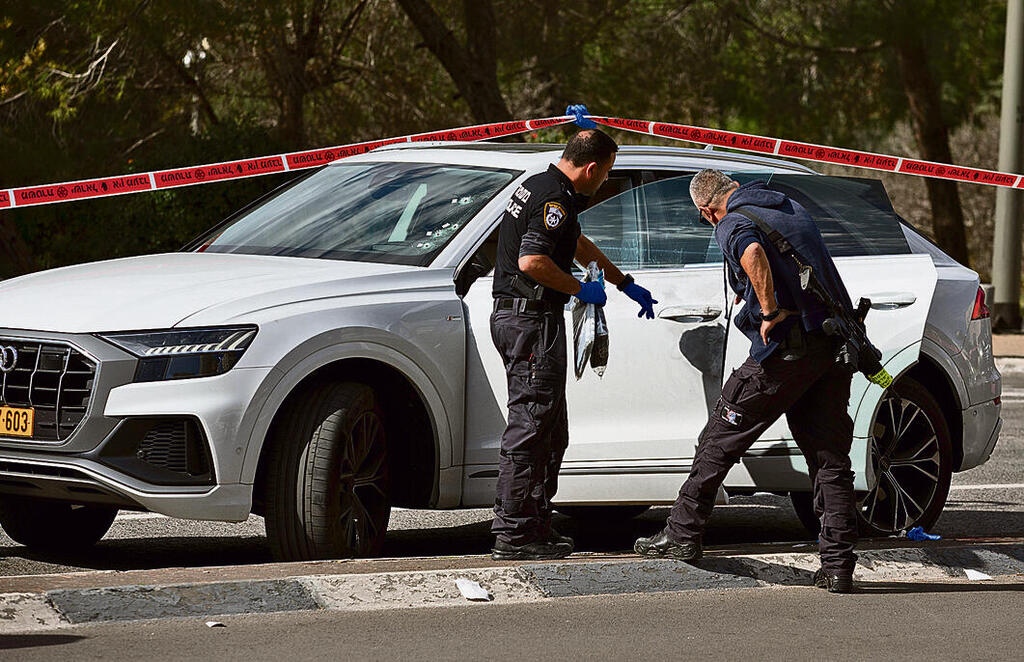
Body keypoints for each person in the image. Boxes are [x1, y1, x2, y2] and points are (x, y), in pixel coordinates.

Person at [634, 169, 859, 593]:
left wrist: (769, 310)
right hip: (829, 348)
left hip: (786, 353)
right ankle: (838, 564)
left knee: (718, 437)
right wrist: (756, 291)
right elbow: (785, 259)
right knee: (829, 457)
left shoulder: (732, 221)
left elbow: (752, 251)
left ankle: (682, 534)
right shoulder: (786, 207)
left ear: (706, 209)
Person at [490, 128, 658, 560]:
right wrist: (579, 291)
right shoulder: (554, 198)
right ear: (592, 167)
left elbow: (575, 242)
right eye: (607, 175)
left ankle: (537, 526)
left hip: (525, 318)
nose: (605, 183)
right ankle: (515, 534)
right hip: (530, 321)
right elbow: (532, 261)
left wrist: (624, 283)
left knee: (550, 430)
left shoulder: (541, 184)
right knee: (530, 427)